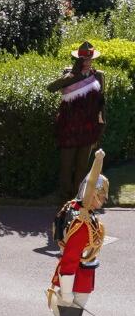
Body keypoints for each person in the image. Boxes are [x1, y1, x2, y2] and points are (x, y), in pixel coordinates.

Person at [46, 150, 110, 316]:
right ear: (92, 195)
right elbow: (71, 259)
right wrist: (66, 291)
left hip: (75, 281)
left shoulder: (78, 212)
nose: (103, 201)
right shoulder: (81, 223)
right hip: (73, 283)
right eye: (100, 196)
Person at [48, 42, 105, 208]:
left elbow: (102, 102)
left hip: (88, 129)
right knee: (66, 167)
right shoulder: (69, 74)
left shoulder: (98, 75)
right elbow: (51, 88)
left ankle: (78, 202)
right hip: (69, 129)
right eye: (83, 58)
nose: (87, 61)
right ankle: (64, 204)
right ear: (78, 59)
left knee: (81, 167)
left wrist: (102, 125)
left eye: (89, 58)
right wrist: (74, 74)